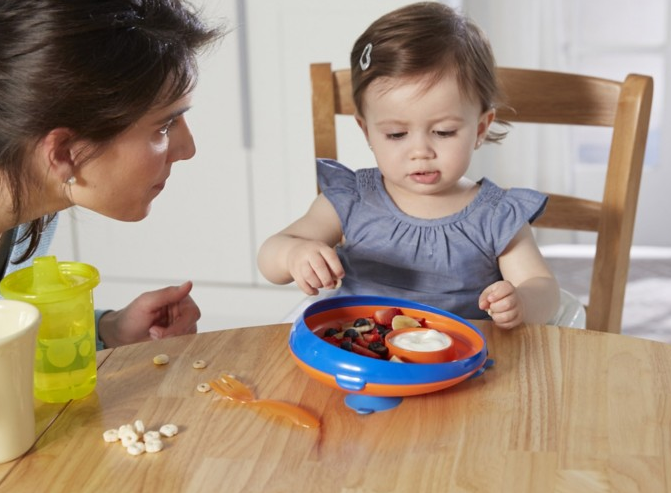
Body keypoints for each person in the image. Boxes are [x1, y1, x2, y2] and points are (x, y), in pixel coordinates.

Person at [257, 2, 559, 329]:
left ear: (480, 129)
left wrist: (521, 301)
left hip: (463, 365)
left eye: (443, 132)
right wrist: (294, 255)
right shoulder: (350, 200)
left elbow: (544, 288)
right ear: (367, 130)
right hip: (364, 359)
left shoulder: (497, 215)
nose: (420, 151)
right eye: (396, 134)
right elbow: (271, 256)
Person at [0, 0, 223, 348]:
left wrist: (108, 330)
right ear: (63, 153)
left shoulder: (28, 208)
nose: (187, 150)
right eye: (165, 126)